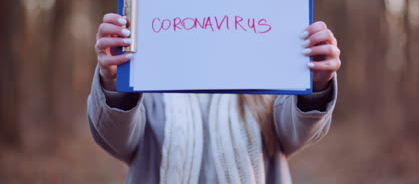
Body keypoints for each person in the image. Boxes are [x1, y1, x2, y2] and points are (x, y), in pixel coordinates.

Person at [88, 13, 341, 184]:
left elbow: (299, 129)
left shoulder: (267, 81)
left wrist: (316, 83)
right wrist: (114, 81)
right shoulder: (149, 81)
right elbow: (117, 138)